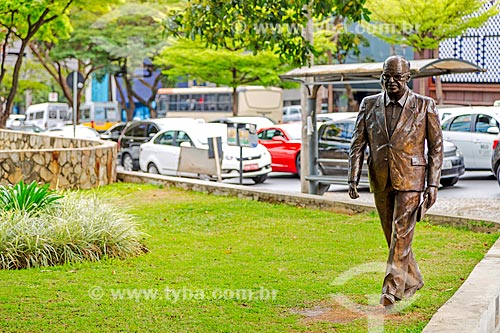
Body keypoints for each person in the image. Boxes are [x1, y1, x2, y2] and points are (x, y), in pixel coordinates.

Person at [348, 55, 443, 307]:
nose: (391, 82)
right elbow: (357, 143)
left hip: (412, 177)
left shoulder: (425, 105)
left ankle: (391, 290)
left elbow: (436, 148)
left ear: (407, 78)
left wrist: (433, 184)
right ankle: (413, 278)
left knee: (401, 232)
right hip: (380, 176)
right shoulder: (368, 105)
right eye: (387, 76)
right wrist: (353, 176)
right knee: (392, 235)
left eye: (397, 77)